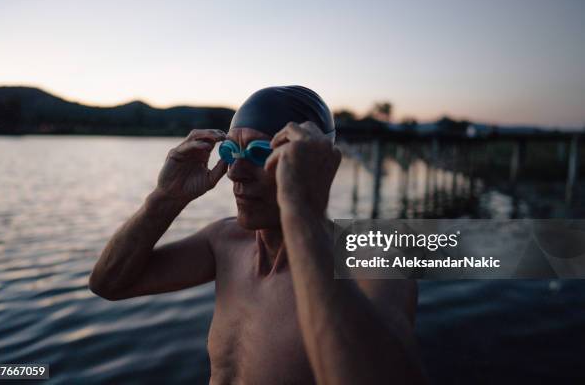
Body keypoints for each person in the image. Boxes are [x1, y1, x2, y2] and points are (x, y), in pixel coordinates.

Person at [88, 86, 426, 384]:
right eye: (230, 152)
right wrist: (165, 199)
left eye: (260, 153)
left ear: (313, 164)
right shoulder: (224, 243)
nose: (236, 173)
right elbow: (109, 284)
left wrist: (303, 211)